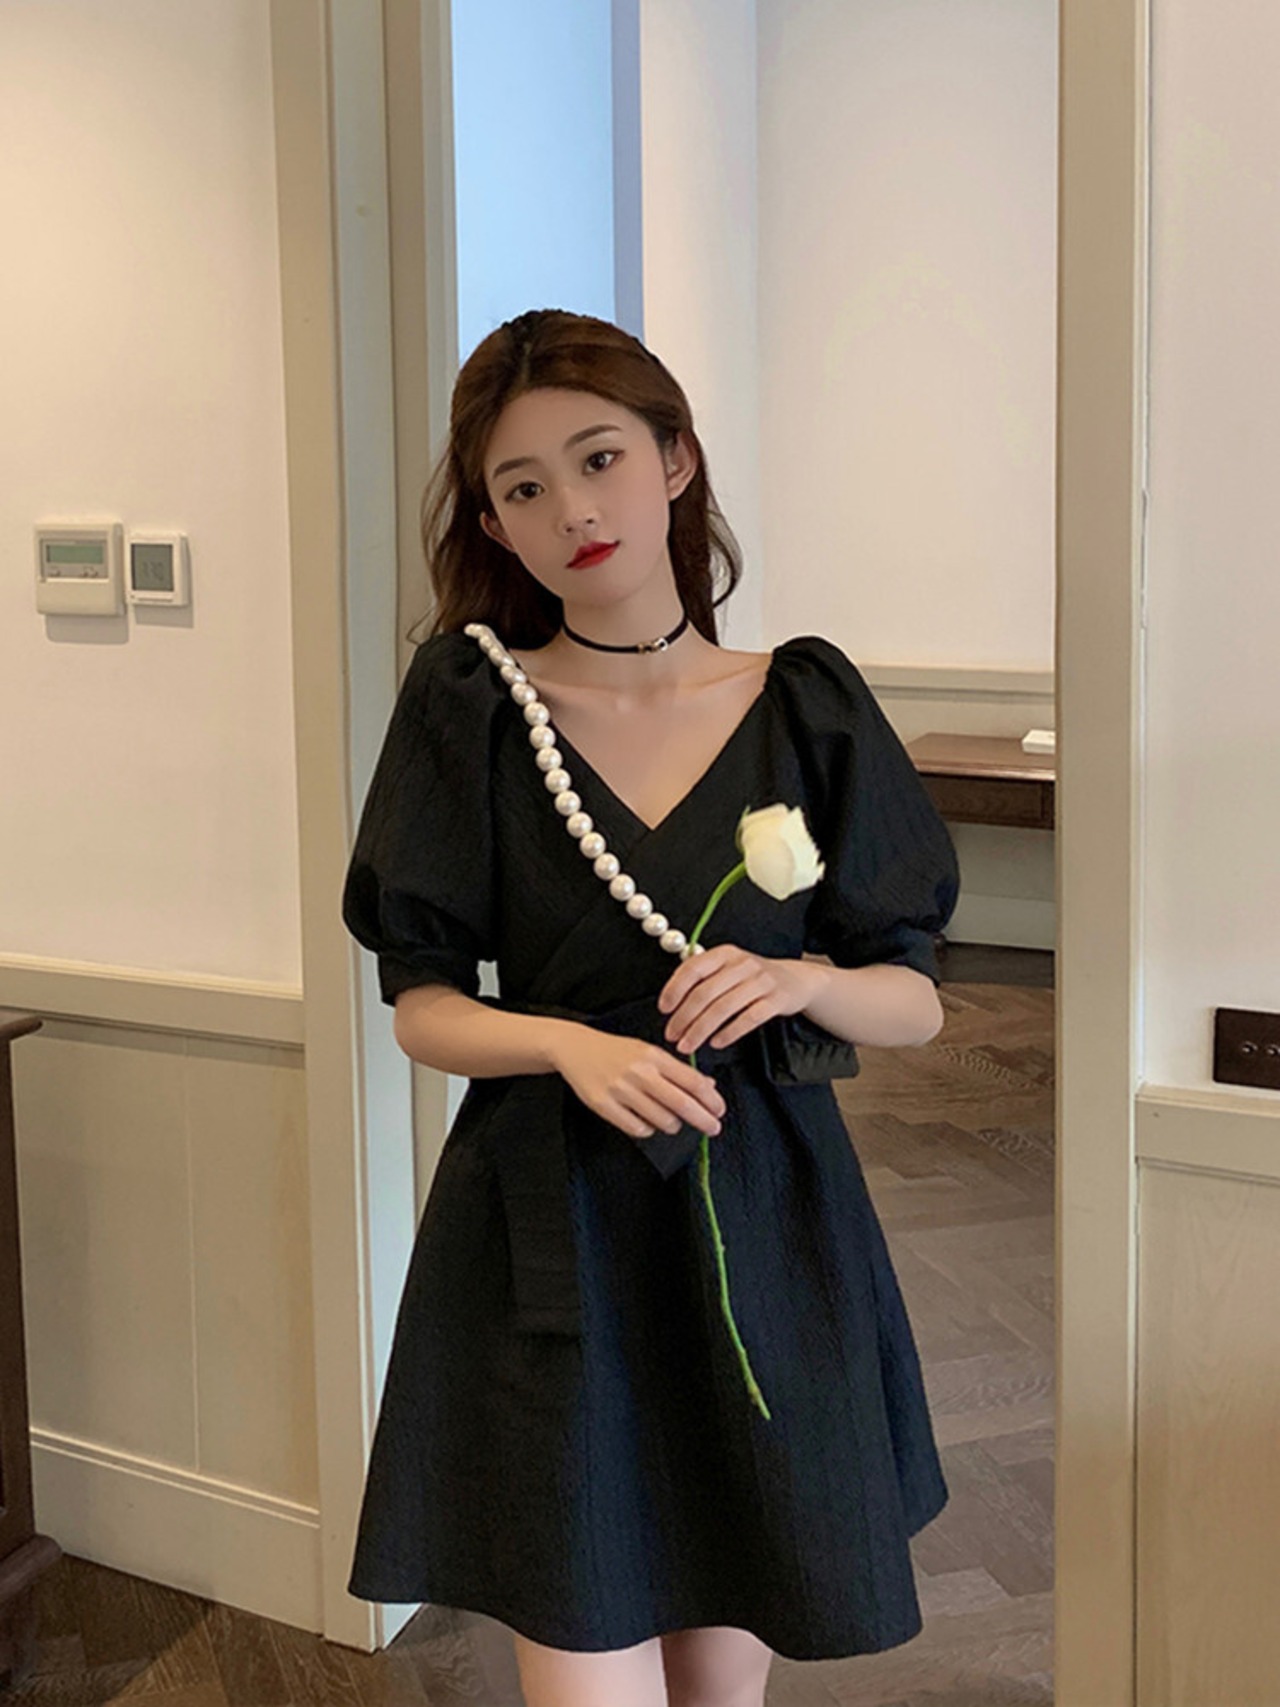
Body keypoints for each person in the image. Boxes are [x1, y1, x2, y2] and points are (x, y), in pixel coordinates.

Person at [341, 307, 961, 1707]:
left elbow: (914, 1002)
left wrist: (801, 981)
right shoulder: (473, 707)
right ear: (493, 527)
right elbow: (421, 1006)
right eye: (522, 487)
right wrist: (565, 1044)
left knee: (725, 1691)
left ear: (675, 460)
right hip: (550, 1240)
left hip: (765, 1224)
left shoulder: (803, 705)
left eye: (600, 457)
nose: (571, 509)